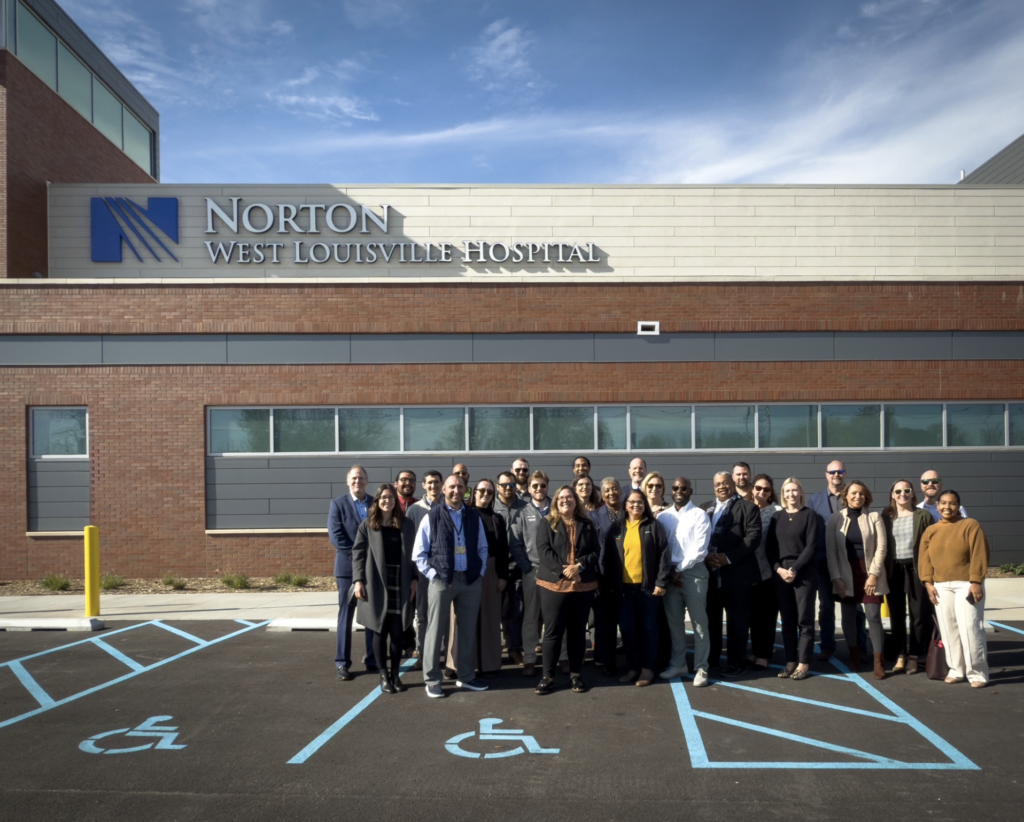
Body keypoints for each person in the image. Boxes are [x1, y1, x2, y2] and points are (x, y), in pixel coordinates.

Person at [413, 474, 490, 698]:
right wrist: (434, 575)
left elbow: (483, 548)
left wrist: (480, 573)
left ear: (466, 490)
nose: (456, 491)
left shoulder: (474, 517)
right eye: (452, 487)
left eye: (460, 487)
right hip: (442, 581)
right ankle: (432, 680)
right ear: (444, 490)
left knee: (466, 632)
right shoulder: (432, 516)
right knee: (435, 630)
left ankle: (466, 676)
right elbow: (419, 554)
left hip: (469, 580)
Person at [919, 490, 990, 688]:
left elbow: (979, 554)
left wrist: (976, 581)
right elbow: (924, 559)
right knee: (948, 629)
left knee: (970, 628)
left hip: (967, 585)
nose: (947, 507)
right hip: (940, 586)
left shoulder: (970, 525)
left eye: (952, 503)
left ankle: (977, 673)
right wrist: (928, 583)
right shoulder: (931, 530)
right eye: (943, 503)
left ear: (958, 506)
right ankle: (956, 669)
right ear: (938, 505)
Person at [535, 486, 601, 695]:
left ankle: (575, 675)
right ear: (556, 501)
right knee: (553, 632)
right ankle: (548, 676)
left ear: (576, 501)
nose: (566, 500)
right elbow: (544, 551)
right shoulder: (547, 523)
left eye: (569, 497)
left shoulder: (588, 524)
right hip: (554, 585)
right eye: (561, 497)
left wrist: (579, 567)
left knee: (577, 632)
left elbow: (595, 551)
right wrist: (565, 572)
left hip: (583, 585)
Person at [352, 484, 418, 694]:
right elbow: (358, 554)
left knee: (398, 632)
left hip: (401, 581)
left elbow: (416, 555)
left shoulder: (406, 525)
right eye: (383, 497)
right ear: (377, 501)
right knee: (379, 630)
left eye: (390, 497)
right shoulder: (368, 525)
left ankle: (395, 674)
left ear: (395, 501)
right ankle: (383, 675)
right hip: (376, 582)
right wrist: (358, 581)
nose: (386, 501)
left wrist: (415, 579)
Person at [606, 490, 671, 686]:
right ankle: (633, 667)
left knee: (648, 629)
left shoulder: (653, 526)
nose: (636, 505)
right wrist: (610, 584)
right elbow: (609, 559)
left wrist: (661, 582)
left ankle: (647, 669)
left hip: (647, 589)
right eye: (632, 502)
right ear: (625, 505)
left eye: (640, 502)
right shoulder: (616, 528)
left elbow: (664, 556)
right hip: (624, 590)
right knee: (627, 629)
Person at [825, 481, 888, 679]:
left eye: (861, 493)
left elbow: (881, 547)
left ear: (866, 496)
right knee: (849, 617)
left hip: (870, 572)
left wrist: (873, 575)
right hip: (846, 573)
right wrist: (836, 577)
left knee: (873, 617)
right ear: (846, 495)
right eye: (853, 493)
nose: (857, 496)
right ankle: (854, 655)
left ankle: (878, 660)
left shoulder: (874, 516)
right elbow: (831, 551)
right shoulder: (836, 518)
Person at [446, 479, 510, 678]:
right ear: (473, 492)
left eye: (489, 492)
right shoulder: (464, 514)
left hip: (491, 569)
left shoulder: (497, 518)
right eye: (481, 490)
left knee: (490, 617)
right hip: (465, 568)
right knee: (461, 617)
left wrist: (502, 576)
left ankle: (488, 663)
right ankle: (456, 663)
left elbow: (503, 550)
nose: (485, 494)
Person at [701, 472, 762, 677]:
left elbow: (752, 538)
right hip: (710, 575)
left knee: (737, 622)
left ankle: (737, 663)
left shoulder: (748, 508)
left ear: (733, 483)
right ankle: (712, 661)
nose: (721, 487)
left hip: (737, 576)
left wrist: (727, 558)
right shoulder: (704, 508)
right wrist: (705, 557)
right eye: (717, 484)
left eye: (725, 483)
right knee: (712, 621)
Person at [657, 476, 712, 687]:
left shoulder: (700, 515)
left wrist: (679, 569)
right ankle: (678, 663)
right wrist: (670, 572)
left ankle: (702, 668)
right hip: (671, 577)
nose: (679, 490)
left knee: (699, 624)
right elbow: (661, 548)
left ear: (690, 490)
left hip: (693, 575)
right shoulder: (663, 516)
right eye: (675, 487)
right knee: (674, 624)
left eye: (683, 487)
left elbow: (700, 549)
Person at [807, 460, 863, 661]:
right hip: (823, 563)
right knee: (826, 606)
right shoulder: (815, 500)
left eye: (839, 471)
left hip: (852, 562)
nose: (836, 474)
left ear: (845, 473)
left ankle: (859, 646)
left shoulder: (854, 497)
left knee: (855, 607)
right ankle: (828, 646)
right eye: (832, 471)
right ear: (826, 474)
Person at [766, 478, 819, 681]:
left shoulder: (809, 515)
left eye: (794, 490)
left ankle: (804, 663)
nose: (790, 494)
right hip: (781, 575)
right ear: (783, 493)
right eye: (787, 490)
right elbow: (769, 549)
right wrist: (779, 569)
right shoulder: (776, 517)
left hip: (803, 573)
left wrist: (794, 569)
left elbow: (811, 546)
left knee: (804, 620)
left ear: (800, 493)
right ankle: (790, 662)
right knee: (787, 621)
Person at [881, 480, 934, 675]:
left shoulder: (923, 516)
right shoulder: (885, 516)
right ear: (892, 495)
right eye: (898, 491)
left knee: (919, 613)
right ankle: (900, 654)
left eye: (907, 490)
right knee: (896, 614)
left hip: (916, 568)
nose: (902, 494)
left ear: (912, 494)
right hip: (894, 569)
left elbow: (932, 545)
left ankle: (916, 654)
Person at [327, 464, 376, 680]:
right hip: (347, 569)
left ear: (367, 480)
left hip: (373, 570)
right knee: (346, 616)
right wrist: (360, 557)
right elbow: (336, 537)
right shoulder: (337, 504)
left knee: (371, 616)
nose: (358, 481)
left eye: (361, 478)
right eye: (354, 478)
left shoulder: (376, 503)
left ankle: (372, 658)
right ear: (348, 481)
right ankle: (342, 663)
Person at [509, 470, 552, 677]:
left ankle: (560, 657)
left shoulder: (558, 509)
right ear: (530, 488)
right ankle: (529, 659)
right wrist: (526, 567)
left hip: (556, 573)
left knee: (554, 617)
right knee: (531, 617)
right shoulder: (522, 512)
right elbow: (515, 543)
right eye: (535, 486)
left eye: (542, 485)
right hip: (532, 572)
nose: (538, 489)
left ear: (547, 486)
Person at [407, 470, 443, 668]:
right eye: (429, 483)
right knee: (422, 615)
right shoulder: (414, 510)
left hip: (444, 572)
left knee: (443, 613)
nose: (433, 486)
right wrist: (413, 576)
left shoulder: (449, 506)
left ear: (442, 484)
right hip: (421, 572)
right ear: (423, 485)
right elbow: (410, 545)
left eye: (436, 482)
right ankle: (422, 652)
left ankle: (442, 652)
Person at [495, 471, 530, 665]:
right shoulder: (492, 506)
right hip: (495, 569)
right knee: (497, 612)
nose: (508, 488)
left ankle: (515, 648)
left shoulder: (526, 507)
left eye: (511, 485)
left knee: (518, 610)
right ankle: (493, 651)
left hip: (518, 567)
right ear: (498, 486)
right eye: (504, 485)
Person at [748, 473, 783, 671]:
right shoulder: (747, 509)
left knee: (767, 616)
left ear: (771, 493)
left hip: (769, 571)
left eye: (766, 489)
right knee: (753, 616)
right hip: (748, 572)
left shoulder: (776, 511)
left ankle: (764, 655)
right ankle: (755, 651)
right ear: (753, 489)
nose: (761, 492)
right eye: (758, 488)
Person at [591, 478, 625, 673]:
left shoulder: (629, 512)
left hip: (628, 575)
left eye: (614, 489)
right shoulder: (595, 516)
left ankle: (632, 658)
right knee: (605, 622)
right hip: (604, 576)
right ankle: (607, 660)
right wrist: (596, 577)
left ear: (621, 491)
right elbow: (593, 548)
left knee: (628, 620)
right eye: (607, 490)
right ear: (602, 495)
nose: (611, 493)